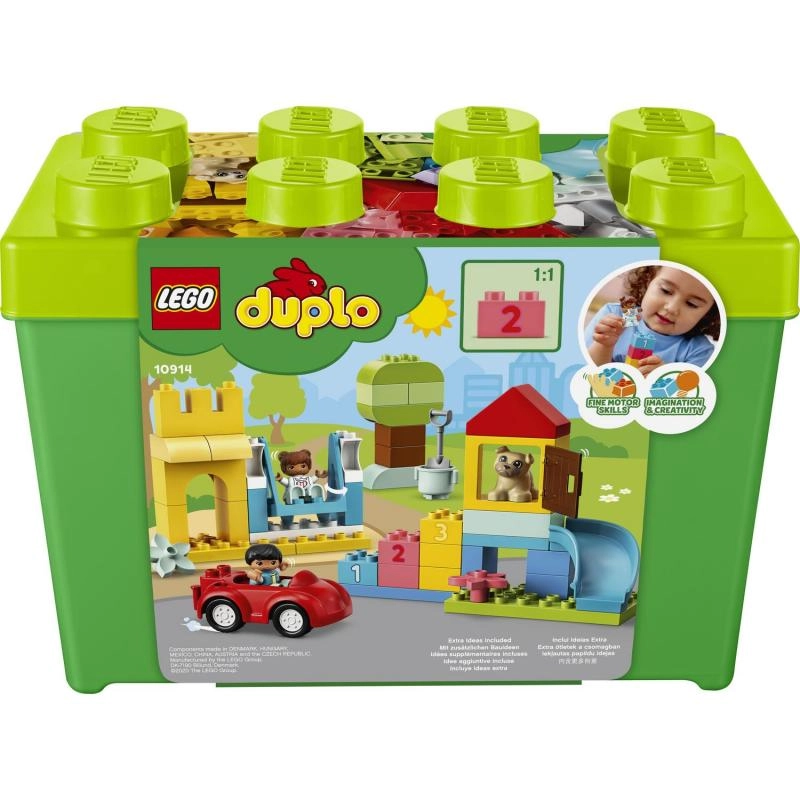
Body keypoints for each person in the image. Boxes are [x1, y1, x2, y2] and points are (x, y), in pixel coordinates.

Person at [585, 265, 720, 375]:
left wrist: (662, 378)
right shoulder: (620, 315)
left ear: (709, 313)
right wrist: (603, 345)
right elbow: (584, 371)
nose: (671, 308)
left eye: (692, 304)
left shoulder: (697, 351)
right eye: (666, 291)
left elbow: (691, 395)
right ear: (648, 281)